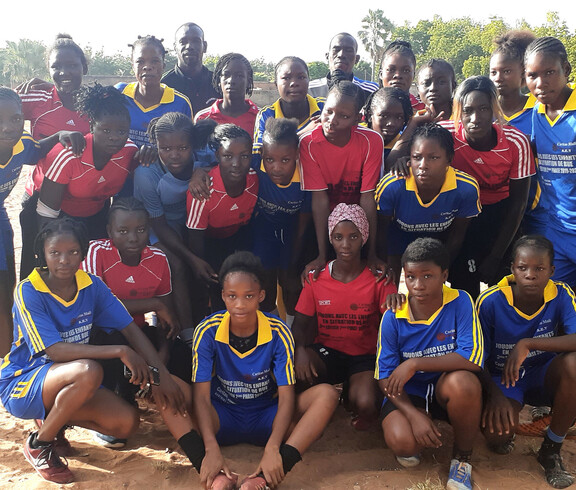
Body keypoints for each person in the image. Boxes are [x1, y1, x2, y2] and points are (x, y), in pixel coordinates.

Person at [0, 218, 185, 483]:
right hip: (23, 382)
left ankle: (53, 419)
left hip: (71, 379)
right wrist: (120, 350)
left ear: (83, 254)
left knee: (126, 423)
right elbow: (53, 351)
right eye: (55, 253)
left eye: (73, 252)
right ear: (40, 254)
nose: (64, 260)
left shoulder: (92, 285)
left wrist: (161, 375)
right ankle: (40, 444)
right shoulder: (28, 290)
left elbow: (130, 329)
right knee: (89, 369)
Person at [173, 251, 338, 490]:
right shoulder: (207, 330)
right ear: (223, 296)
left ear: (261, 296)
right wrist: (210, 448)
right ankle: (212, 473)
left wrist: (272, 448)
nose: (240, 304)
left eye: (248, 296)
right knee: (167, 390)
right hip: (220, 415)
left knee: (327, 395)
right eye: (232, 296)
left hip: (266, 416)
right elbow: (200, 395)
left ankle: (266, 477)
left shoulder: (278, 330)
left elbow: (286, 397)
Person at [82, 197, 192, 447]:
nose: (133, 238)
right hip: (100, 336)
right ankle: (115, 402)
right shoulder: (96, 252)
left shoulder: (158, 259)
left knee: (182, 354)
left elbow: (167, 323)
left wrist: (159, 364)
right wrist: (153, 304)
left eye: (141, 230)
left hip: (139, 333)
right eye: (123, 231)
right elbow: (97, 310)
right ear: (110, 231)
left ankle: (165, 401)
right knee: (115, 339)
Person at [376, 237, 484, 490]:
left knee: (464, 383)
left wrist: (414, 363)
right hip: (409, 391)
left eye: (428, 276)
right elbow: (384, 376)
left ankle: (462, 458)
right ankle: (421, 417)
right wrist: (412, 415)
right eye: (411, 277)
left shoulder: (460, 301)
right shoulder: (393, 315)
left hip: (447, 384)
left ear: (444, 274)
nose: (418, 285)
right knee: (404, 444)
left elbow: (473, 358)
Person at [477, 235, 576, 489]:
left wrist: (528, 344)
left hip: (543, 373)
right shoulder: (490, 301)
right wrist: (494, 396)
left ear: (551, 271)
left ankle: (551, 449)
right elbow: (477, 358)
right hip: (504, 380)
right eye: (523, 268)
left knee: (574, 366)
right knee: (496, 435)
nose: (530, 275)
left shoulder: (562, 293)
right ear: (513, 269)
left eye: (539, 269)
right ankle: (508, 422)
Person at [293, 204, 397, 430]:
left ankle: (352, 390)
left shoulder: (379, 278)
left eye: (353, 237)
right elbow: (299, 325)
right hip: (327, 353)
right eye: (338, 237)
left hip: (364, 356)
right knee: (294, 369)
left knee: (366, 405)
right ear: (331, 239)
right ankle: (319, 403)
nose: (346, 244)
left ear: (364, 238)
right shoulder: (316, 278)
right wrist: (300, 350)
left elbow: (393, 326)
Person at [0, 88, 84, 356]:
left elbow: (37, 149)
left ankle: (9, 354)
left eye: (15, 119)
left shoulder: (21, 144)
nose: (7, 127)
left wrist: (60, 136)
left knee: (7, 285)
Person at [440, 76, 535, 298]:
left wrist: (495, 256)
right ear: (459, 112)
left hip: (500, 216)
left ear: (494, 109)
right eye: (468, 110)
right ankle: (469, 326)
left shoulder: (515, 142)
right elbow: (415, 153)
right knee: (465, 284)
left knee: (503, 288)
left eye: (483, 109)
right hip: (461, 217)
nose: (475, 118)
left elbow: (518, 204)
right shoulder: (445, 134)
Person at [17, 34, 91, 278]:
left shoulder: (96, 103)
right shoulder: (38, 98)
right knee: (35, 270)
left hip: (85, 203)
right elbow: (5, 104)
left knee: (82, 272)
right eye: (56, 66)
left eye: (72, 65)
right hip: (40, 198)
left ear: (84, 67)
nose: (64, 72)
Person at [134, 112, 216, 326]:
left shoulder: (203, 155)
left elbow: (225, 164)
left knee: (209, 259)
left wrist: (202, 170)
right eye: (165, 149)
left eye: (182, 148)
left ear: (193, 145)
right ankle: (185, 331)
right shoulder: (146, 175)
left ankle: (206, 319)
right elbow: (159, 226)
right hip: (157, 227)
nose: (174, 155)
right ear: (156, 146)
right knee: (177, 265)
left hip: (192, 221)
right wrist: (192, 259)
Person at [299, 81, 386, 282]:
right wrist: (322, 254)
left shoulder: (371, 141)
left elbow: (367, 198)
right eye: (328, 111)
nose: (332, 120)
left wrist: (371, 252)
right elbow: (319, 200)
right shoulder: (309, 143)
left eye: (344, 116)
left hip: (359, 223)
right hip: (325, 221)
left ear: (357, 118)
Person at [375, 123, 481, 283]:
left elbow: (457, 237)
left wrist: (440, 269)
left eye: (433, 157)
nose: (423, 165)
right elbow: (382, 234)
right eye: (417, 157)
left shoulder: (466, 188)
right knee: (388, 285)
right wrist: (388, 270)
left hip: (440, 241)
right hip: (398, 238)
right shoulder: (393, 185)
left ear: (449, 159)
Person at [36, 84, 138, 242]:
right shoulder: (69, 155)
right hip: (61, 218)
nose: (114, 137)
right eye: (106, 130)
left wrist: (147, 156)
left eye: (121, 131)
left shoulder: (129, 152)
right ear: (91, 127)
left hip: (98, 215)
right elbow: (47, 215)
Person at [186, 124, 258, 313]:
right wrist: (200, 269)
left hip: (239, 239)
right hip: (209, 244)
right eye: (228, 156)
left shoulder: (254, 178)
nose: (236, 163)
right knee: (218, 288)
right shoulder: (203, 189)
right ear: (217, 156)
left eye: (244, 156)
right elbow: (195, 238)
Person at [524, 37, 576, 289]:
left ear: (566, 70)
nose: (540, 83)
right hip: (556, 230)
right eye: (532, 75)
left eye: (549, 73)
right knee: (556, 307)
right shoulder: (537, 111)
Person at [251, 118, 311, 320]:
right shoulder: (253, 162)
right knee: (264, 281)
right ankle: (275, 327)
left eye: (285, 160)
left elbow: (303, 223)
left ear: (296, 155)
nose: (276, 167)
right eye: (270, 160)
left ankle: (292, 330)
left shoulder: (306, 175)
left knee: (290, 282)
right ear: (262, 156)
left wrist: (292, 262)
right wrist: (199, 172)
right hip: (264, 225)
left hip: (294, 228)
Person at [489, 30, 542, 237]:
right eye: (493, 72)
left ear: (523, 72)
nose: (498, 78)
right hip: (493, 207)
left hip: (535, 209)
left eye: (506, 71)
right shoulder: (484, 112)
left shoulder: (539, 109)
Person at [115, 35, 192, 148]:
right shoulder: (119, 94)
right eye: (140, 61)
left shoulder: (180, 103)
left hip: (161, 165)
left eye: (155, 61)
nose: (147, 67)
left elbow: (188, 147)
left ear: (163, 66)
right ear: (133, 66)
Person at [253, 56, 324, 158]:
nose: (294, 83)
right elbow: (264, 151)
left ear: (309, 81)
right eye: (286, 78)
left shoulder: (325, 108)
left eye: (301, 77)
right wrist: (305, 133)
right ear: (276, 84)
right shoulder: (267, 115)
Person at [194, 53, 259, 136]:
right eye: (226, 75)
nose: (231, 81)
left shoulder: (261, 117)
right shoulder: (203, 118)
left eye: (239, 76)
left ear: (248, 81)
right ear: (218, 80)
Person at [161, 23, 218, 114]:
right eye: (183, 42)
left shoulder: (218, 84)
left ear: (205, 46)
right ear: (175, 47)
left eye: (196, 41)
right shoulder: (163, 85)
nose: (189, 46)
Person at [308, 33, 378, 100]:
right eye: (336, 50)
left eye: (348, 50)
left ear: (356, 59)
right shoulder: (310, 90)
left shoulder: (371, 91)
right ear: (327, 56)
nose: (341, 55)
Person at [364, 86, 412, 167]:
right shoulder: (355, 135)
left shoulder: (404, 147)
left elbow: (386, 168)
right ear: (369, 115)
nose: (391, 123)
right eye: (384, 116)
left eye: (399, 117)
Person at [379, 40, 425, 112]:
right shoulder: (370, 109)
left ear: (413, 75)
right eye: (391, 70)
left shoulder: (423, 109)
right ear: (381, 74)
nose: (398, 75)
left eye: (406, 70)